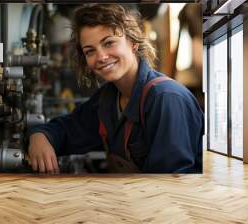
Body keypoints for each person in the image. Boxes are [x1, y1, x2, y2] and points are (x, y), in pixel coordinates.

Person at [26, 4, 204, 174]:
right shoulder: (108, 98)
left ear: (133, 43)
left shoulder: (166, 98)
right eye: (90, 51)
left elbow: (172, 184)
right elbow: (67, 130)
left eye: (109, 43)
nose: (101, 57)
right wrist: (40, 136)